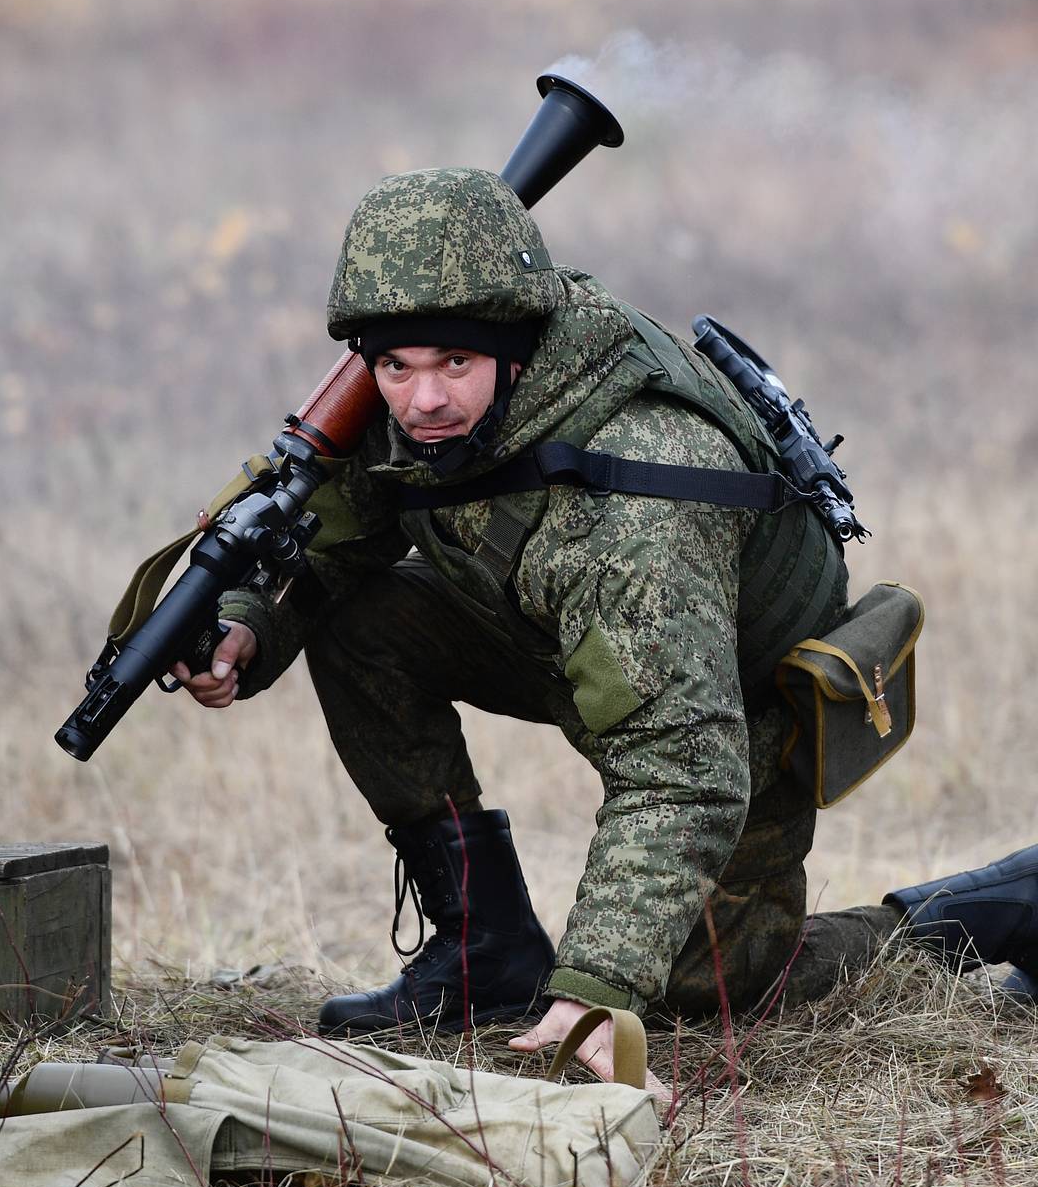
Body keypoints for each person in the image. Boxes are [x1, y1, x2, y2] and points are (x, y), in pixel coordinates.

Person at [173, 167, 1037, 1083]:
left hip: (731, 700)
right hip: (575, 638)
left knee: (708, 990)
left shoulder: (636, 499)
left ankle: (1005, 905)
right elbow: (332, 533)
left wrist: (598, 984)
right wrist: (246, 624)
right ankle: (484, 949)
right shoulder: (423, 408)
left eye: (453, 365)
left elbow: (683, 764)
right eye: (396, 366)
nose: (422, 401)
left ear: (513, 351)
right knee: (362, 620)